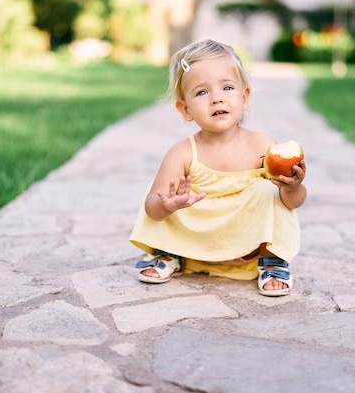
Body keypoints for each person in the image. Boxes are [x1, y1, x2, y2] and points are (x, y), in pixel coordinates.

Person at [129, 39, 307, 296]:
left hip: (244, 245)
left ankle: (271, 260)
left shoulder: (263, 146)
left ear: (244, 97)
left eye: (227, 87)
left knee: (268, 191)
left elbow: (290, 203)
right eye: (202, 92)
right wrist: (166, 205)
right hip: (197, 239)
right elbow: (152, 209)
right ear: (185, 109)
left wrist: (294, 186)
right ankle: (171, 253)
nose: (216, 98)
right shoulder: (182, 153)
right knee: (166, 193)